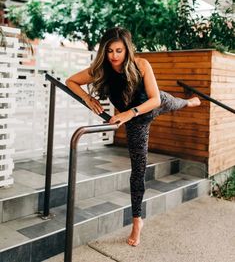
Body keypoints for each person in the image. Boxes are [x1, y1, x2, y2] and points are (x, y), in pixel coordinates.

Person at [66, 27, 201, 247]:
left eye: (119, 50)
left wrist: (129, 112)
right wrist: (87, 99)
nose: (114, 56)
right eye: (109, 50)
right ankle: (137, 221)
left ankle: (190, 102)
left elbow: (155, 99)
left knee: (175, 102)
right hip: (136, 123)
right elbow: (71, 81)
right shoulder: (101, 69)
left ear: (127, 49)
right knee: (138, 170)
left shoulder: (141, 65)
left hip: (149, 105)